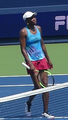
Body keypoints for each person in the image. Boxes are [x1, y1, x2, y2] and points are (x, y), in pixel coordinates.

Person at [19, 11, 54, 119]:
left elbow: (42, 44)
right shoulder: (23, 32)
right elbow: (23, 49)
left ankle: (45, 112)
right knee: (38, 87)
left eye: (34, 17)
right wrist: (30, 63)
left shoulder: (39, 28)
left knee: (45, 87)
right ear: (27, 21)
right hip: (32, 61)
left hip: (42, 59)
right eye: (31, 17)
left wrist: (48, 59)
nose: (34, 18)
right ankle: (29, 103)